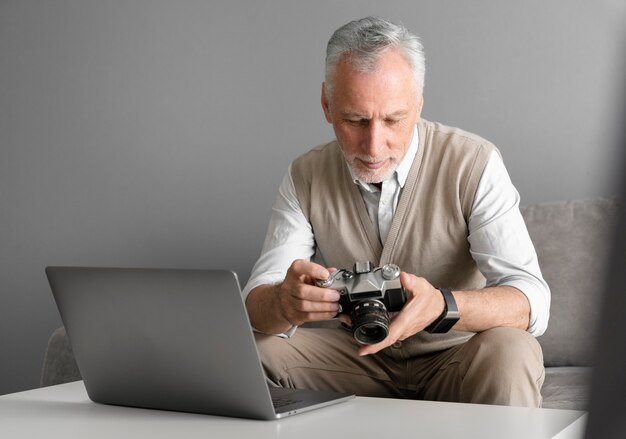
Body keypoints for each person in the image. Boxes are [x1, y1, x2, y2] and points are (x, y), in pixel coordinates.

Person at [243, 16, 550, 407]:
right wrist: (285, 302)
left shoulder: (474, 162)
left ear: (418, 105)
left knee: (512, 349)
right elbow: (255, 304)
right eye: (355, 120)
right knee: (253, 351)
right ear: (327, 104)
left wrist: (444, 305)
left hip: (456, 358)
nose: (374, 146)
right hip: (355, 360)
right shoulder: (305, 174)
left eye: (394, 119)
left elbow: (532, 302)